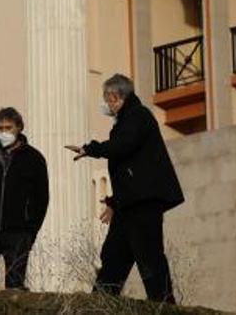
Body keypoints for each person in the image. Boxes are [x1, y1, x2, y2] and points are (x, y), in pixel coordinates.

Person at [66, 73, 184, 303]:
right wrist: (113, 202)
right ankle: (100, 304)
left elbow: (123, 147)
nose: (106, 104)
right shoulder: (128, 119)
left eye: (107, 98)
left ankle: (164, 306)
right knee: (114, 257)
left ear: (115, 96)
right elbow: (128, 169)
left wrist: (91, 148)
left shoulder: (138, 116)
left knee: (149, 257)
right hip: (128, 203)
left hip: (143, 202)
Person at [0, 107, 49, 291]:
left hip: (18, 231)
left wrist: (31, 229)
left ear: (19, 128)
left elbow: (41, 198)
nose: (4, 132)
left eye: (9, 128)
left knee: (15, 284)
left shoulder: (34, 159)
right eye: (0, 128)